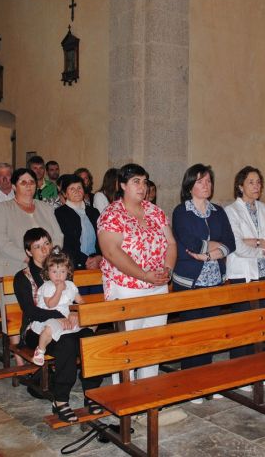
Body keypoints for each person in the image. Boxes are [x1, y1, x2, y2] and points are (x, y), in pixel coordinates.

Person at [98, 163, 176, 381]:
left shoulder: (155, 211)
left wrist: (167, 269)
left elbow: (171, 243)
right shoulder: (113, 214)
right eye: (135, 181)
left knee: (153, 342)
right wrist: (143, 275)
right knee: (128, 345)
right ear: (122, 185)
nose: (142, 187)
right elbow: (111, 252)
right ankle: (125, 393)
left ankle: (148, 389)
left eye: (144, 181)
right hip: (127, 287)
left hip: (157, 285)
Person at [14, 228, 103, 421]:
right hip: (37, 330)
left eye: (46, 243)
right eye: (37, 246)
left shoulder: (61, 269)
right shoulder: (23, 277)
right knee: (68, 344)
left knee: (89, 339)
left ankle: (92, 394)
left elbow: (71, 298)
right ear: (29, 252)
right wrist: (60, 315)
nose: (44, 249)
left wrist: (73, 313)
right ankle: (61, 400)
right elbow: (30, 311)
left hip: (65, 325)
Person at [171, 164, 234, 393]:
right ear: (189, 186)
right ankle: (191, 383)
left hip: (215, 279)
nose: (205, 185)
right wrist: (215, 246)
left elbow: (231, 242)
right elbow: (189, 241)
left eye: (208, 181)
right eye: (200, 181)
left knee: (209, 333)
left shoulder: (218, 211)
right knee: (191, 333)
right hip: (190, 282)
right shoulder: (181, 211)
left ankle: (207, 381)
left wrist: (208, 254)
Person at [225, 166, 265, 372]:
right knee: (243, 326)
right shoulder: (231, 211)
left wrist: (256, 242)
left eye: (258, 182)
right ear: (240, 186)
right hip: (242, 274)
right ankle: (240, 371)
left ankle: (259, 370)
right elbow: (238, 247)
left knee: (261, 324)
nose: (256, 186)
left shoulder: (264, 208)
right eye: (251, 182)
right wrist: (263, 246)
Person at [0, 168, 64, 278]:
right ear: (14, 186)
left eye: (32, 182)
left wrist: (51, 256)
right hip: (14, 266)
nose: (28, 185)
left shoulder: (46, 208)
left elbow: (58, 236)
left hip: (45, 267)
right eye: (23, 182)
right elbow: (0, 241)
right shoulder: (1, 209)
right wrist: (28, 257)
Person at [30, 248, 84, 365]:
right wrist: (58, 291)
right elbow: (50, 305)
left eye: (62, 272)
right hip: (50, 318)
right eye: (54, 272)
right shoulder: (47, 287)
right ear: (47, 272)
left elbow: (80, 301)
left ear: (68, 271)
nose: (58, 276)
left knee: (89, 322)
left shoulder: (70, 285)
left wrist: (76, 312)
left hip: (67, 318)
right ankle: (40, 350)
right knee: (48, 330)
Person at [53, 174, 102, 272]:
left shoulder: (93, 212)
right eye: (72, 189)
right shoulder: (59, 213)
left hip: (97, 263)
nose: (77, 191)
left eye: (79, 188)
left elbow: (102, 236)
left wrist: (99, 257)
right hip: (73, 264)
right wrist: (85, 260)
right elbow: (65, 243)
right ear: (64, 193)